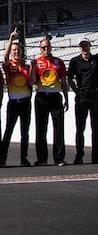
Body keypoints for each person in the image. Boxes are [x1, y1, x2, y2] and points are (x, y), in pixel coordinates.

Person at [31, 37, 69, 166]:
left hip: (55, 97)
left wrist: (67, 98)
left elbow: (64, 82)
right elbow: (32, 81)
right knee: (41, 128)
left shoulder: (59, 62)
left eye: (47, 47)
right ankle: (42, 158)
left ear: (51, 47)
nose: (46, 49)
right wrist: (32, 68)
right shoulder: (36, 62)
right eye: (43, 48)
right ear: (40, 49)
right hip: (41, 96)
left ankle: (59, 158)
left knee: (59, 128)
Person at [0, 29, 33, 167]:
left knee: (25, 132)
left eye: (18, 50)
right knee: (8, 130)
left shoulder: (27, 66)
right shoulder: (9, 66)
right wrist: (11, 39)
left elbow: (31, 83)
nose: (16, 52)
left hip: (26, 101)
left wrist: (33, 69)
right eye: (14, 50)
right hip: (13, 102)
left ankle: (24, 158)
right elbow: (5, 57)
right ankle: (2, 158)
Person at [68, 36, 98, 164]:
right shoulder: (75, 61)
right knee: (80, 128)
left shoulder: (96, 59)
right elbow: (69, 79)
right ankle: (79, 155)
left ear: (90, 46)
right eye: (82, 46)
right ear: (79, 47)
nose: (84, 48)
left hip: (95, 95)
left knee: (96, 128)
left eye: (86, 45)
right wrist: (76, 91)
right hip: (82, 96)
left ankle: (96, 156)